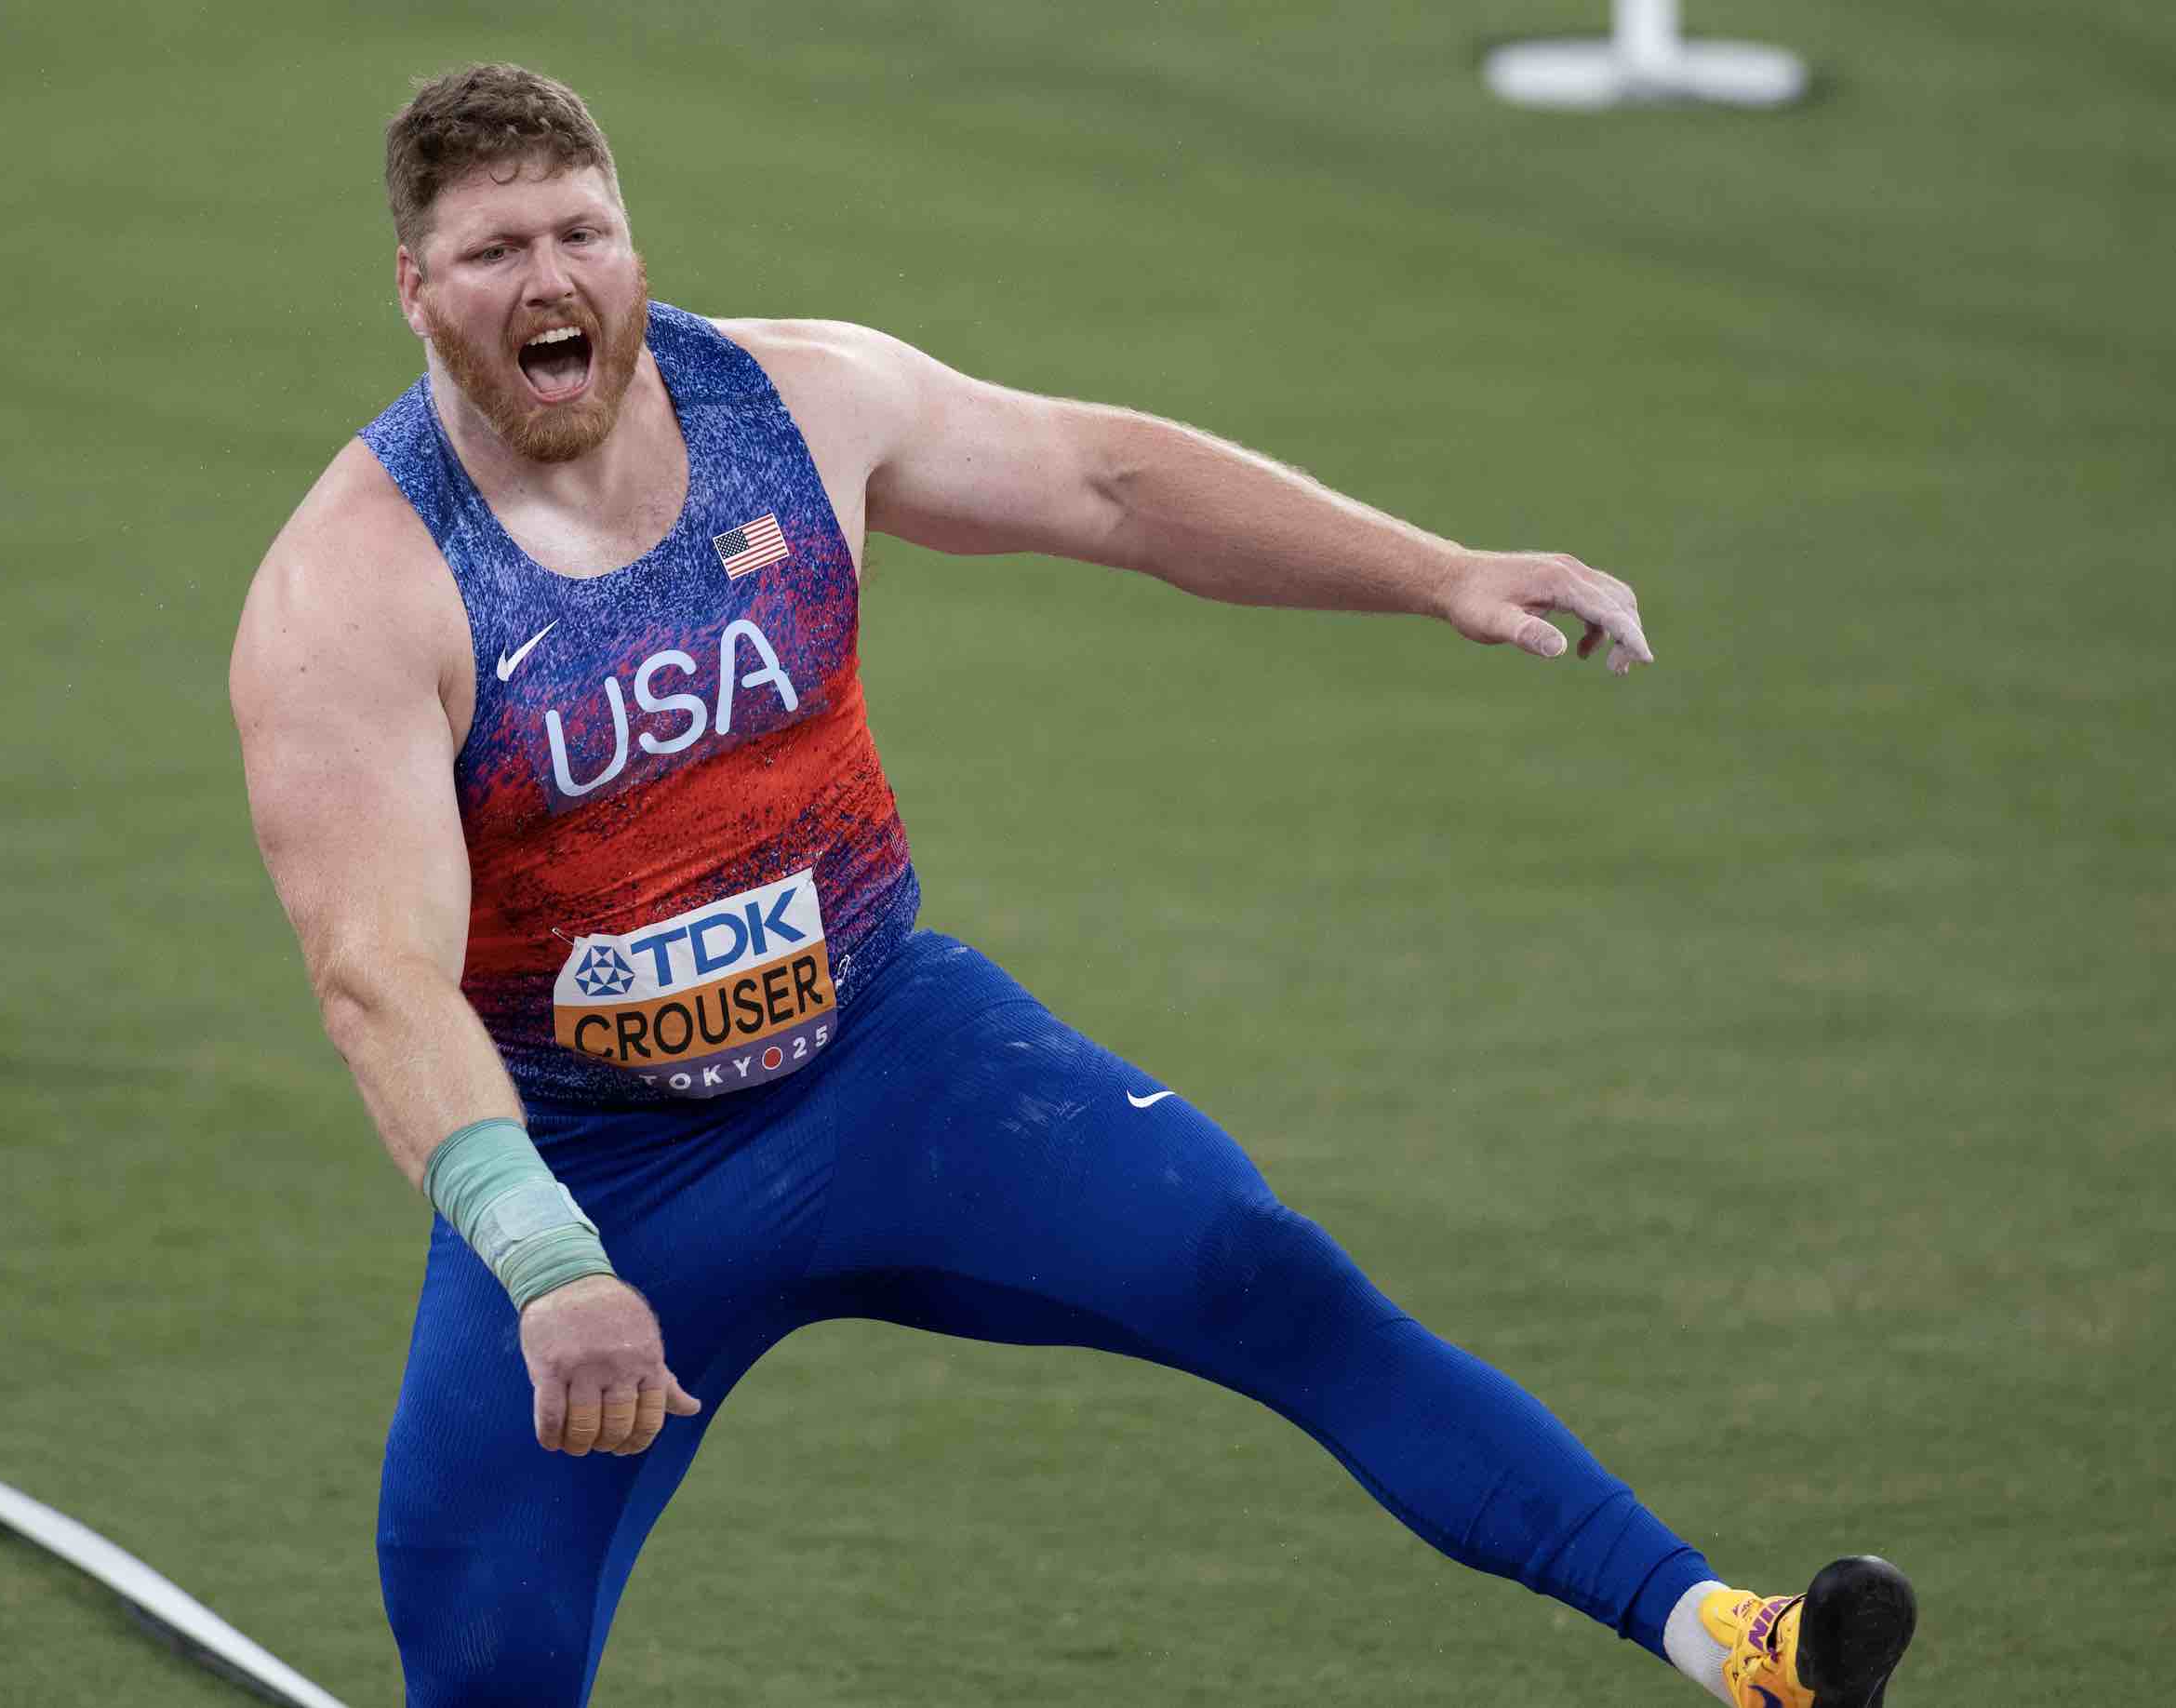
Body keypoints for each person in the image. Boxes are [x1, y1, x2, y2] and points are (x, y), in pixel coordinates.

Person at [230, 61, 1915, 1708]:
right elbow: (381, 975)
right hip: (596, 1169)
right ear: (416, 289)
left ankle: (1729, 1640)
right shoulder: (356, 590)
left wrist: (1436, 573)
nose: (551, 280)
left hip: (895, 1064)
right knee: (486, 1663)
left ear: (630, 244)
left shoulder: (794, 402)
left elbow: (1106, 483)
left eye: (581, 234)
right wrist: (547, 1263)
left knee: (1264, 1274)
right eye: (496, 251)